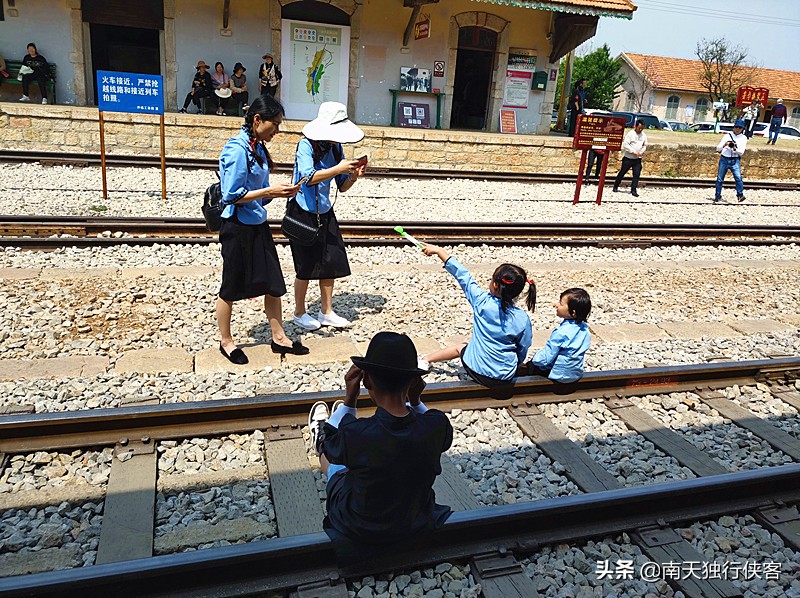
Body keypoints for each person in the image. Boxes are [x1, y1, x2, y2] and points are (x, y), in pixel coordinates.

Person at [307, 331, 453, 546]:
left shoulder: (356, 433)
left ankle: (321, 432)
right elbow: (441, 435)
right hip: (415, 520)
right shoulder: (437, 424)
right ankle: (342, 425)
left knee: (333, 463)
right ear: (414, 382)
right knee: (362, 456)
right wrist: (416, 400)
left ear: (366, 380)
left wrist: (350, 400)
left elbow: (332, 446)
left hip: (358, 525)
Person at [216, 95, 307, 365]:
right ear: (258, 120)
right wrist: (270, 190)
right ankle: (226, 341)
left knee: (272, 283)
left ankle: (278, 337)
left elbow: (257, 195)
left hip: (257, 223)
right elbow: (231, 194)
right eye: (275, 124)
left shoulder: (256, 146)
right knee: (230, 286)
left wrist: (279, 193)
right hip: (237, 227)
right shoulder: (237, 149)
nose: (277, 130)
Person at [290, 102, 365, 331]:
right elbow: (307, 178)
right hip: (302, 210)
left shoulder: (335, 149)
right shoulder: (305, 146)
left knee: (329, 262)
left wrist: (353, 176)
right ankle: (299, 312)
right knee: (304, 265)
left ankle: (326, 311)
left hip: (324, 210)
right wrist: (338, 169)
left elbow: (341, 186)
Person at [418, 244, 536, 388]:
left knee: (460, 347)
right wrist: (515, 365)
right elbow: (523, 348)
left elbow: (463, 276)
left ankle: (426, 359)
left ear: (495, 285)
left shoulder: (482, 302)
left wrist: (439, 251)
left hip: (476, 371)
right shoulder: (522, 319)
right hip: (504, 377)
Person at [519, 288, 591, 384]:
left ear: (573, 313)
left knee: (532, 365)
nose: (556, 305)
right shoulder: (584, 329)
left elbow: (546, 359)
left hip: (559, 375)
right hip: (575, 373)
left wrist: (534, 359)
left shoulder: (561, 332)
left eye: (561, 304)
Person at [714, 119, 748, 203]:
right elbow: (718, 148)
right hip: (724, 158)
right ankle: (717, 196)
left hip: (735, 159)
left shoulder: (743, 138)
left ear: (742, 129)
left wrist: (734, 148)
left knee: (738, 178)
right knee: (719, 179)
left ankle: (740, 195)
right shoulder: (727, 136)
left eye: (740, 128)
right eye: (736, 127)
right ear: (733, 127)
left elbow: (741, 152)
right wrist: (725, 144)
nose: (737, 129)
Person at [613, 119, 647, 197]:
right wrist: (633, 151)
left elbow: (645, 145)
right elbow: (625, 145)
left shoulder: (644, 135)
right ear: (635, 126)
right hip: (628, 158)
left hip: (637, 159)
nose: (640, 130)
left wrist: (641, 151)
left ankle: (633, 190)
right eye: (639, 128)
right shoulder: (630, 134)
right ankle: (616, 185)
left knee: (636, 174)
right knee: (622, 173)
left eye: (642, 128)